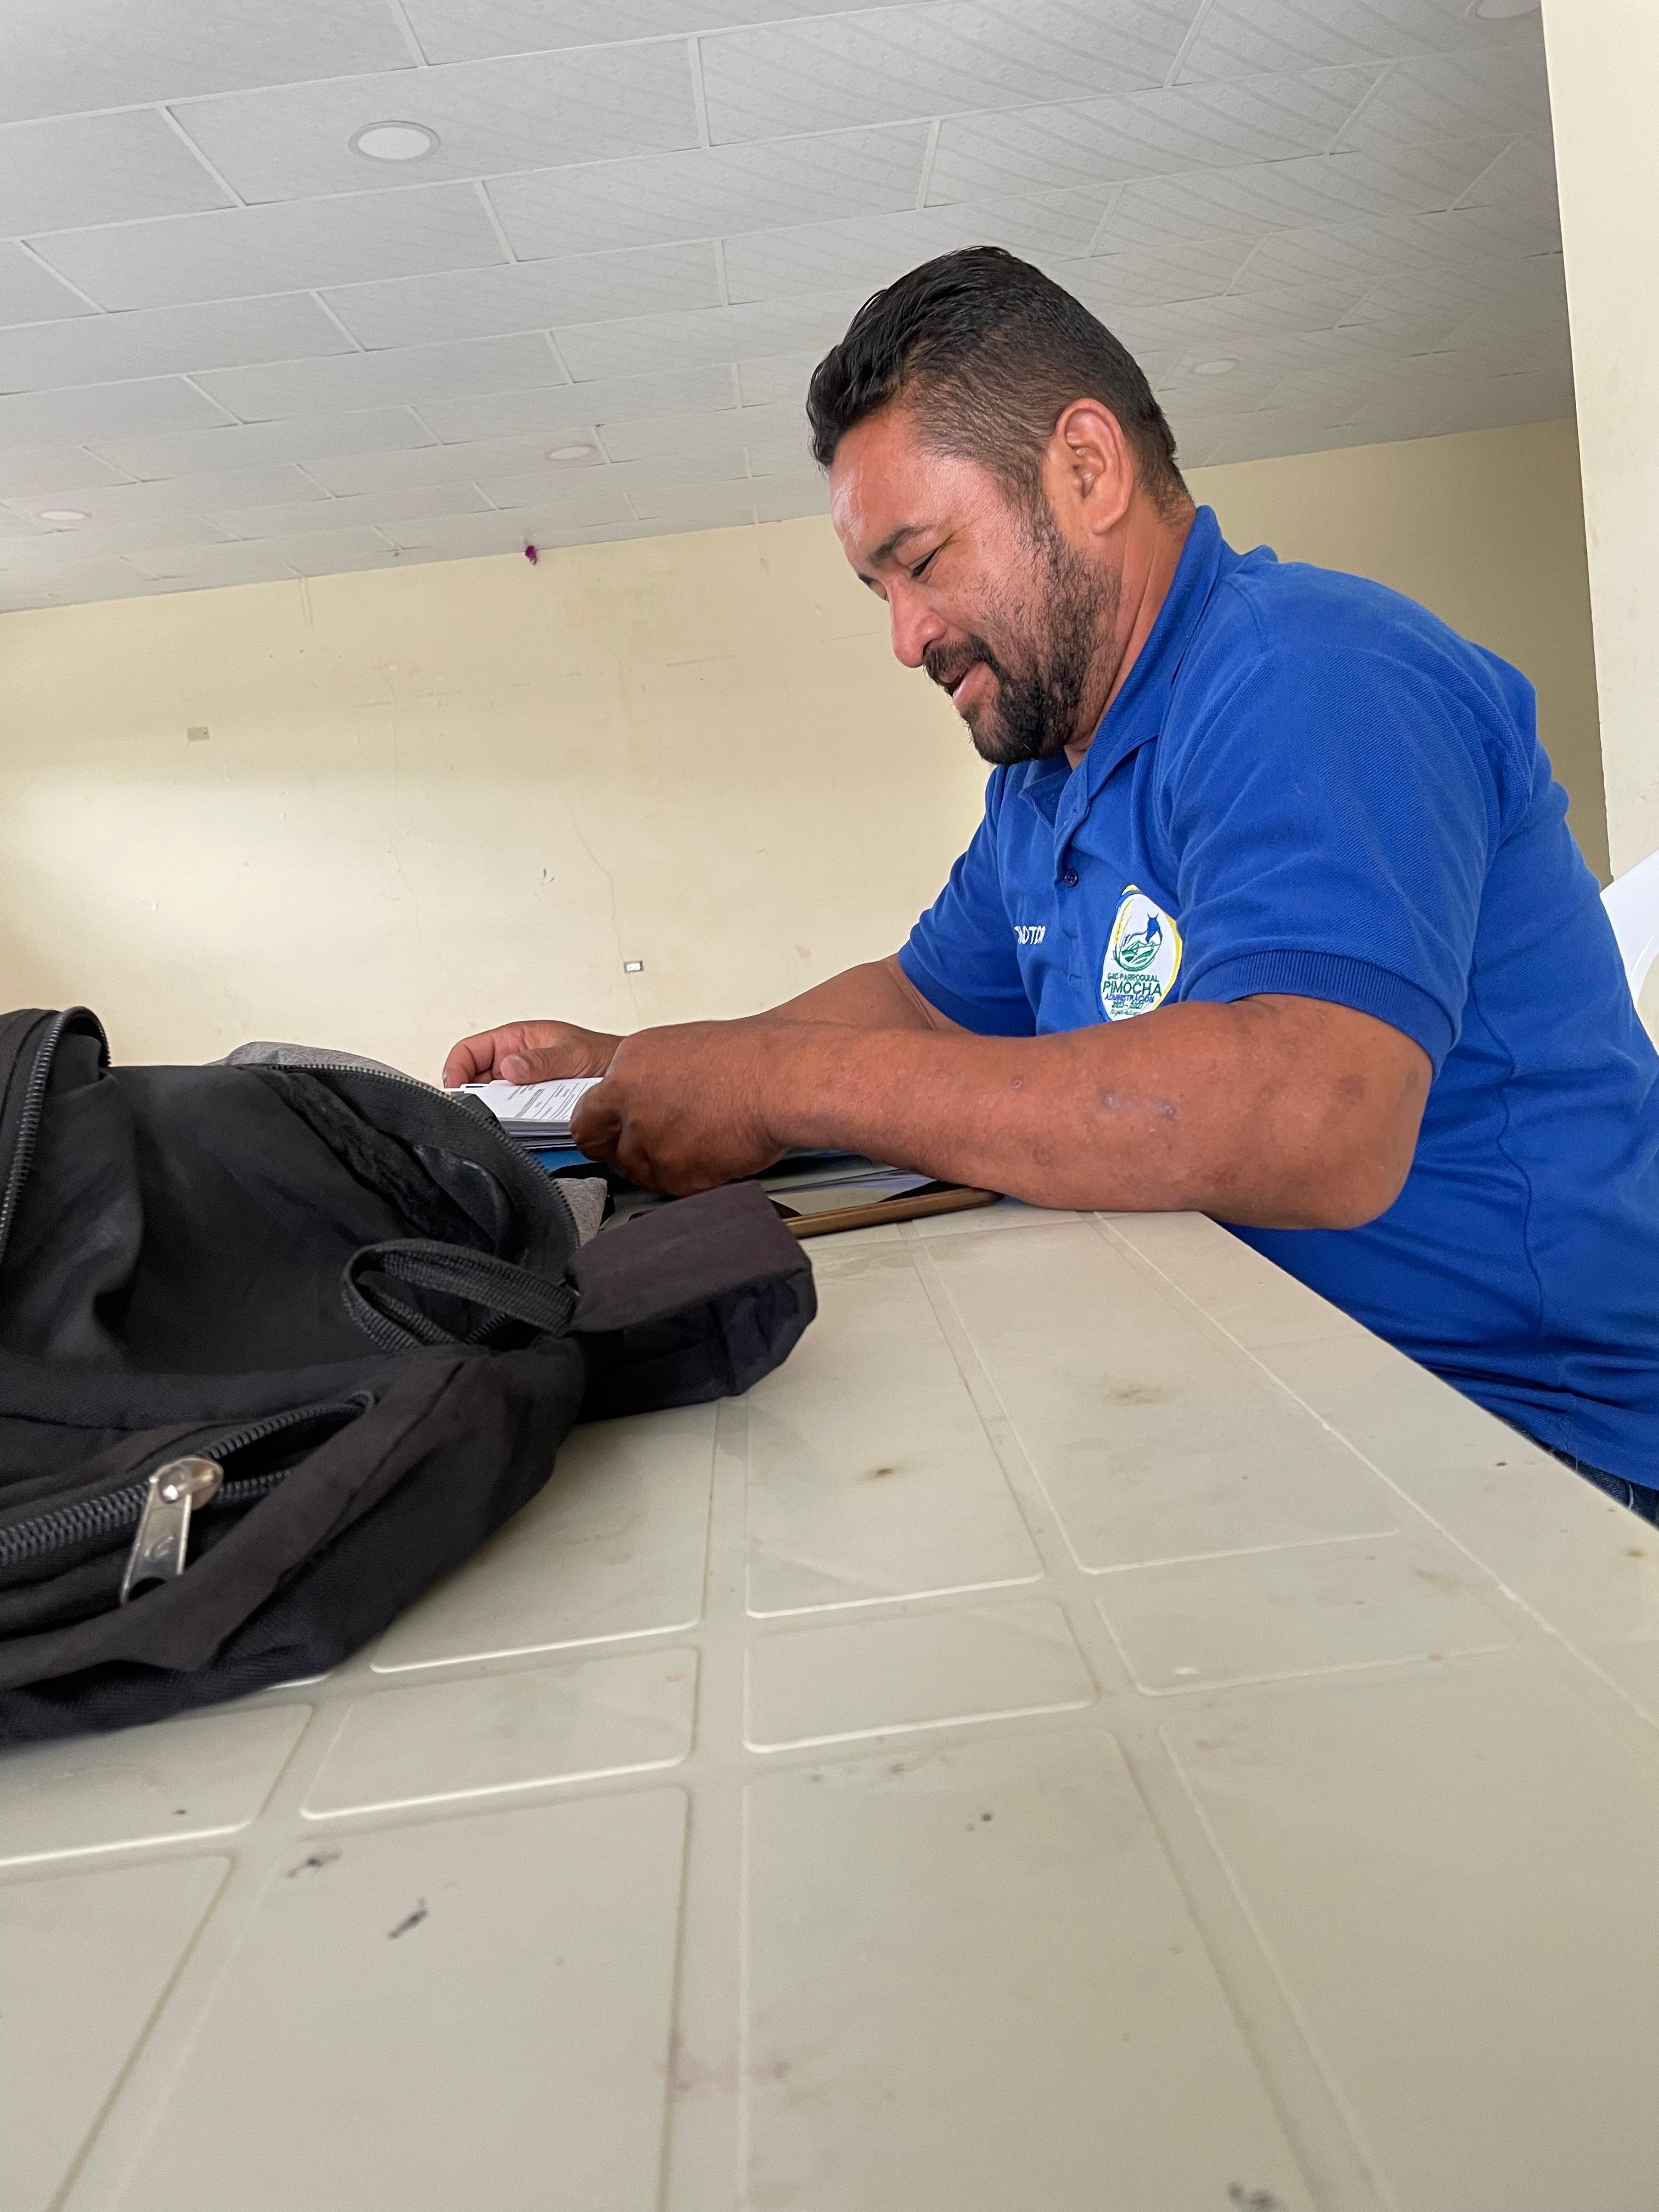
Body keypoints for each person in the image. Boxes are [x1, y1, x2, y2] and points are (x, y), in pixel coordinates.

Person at [445, 246, 1659, 1517]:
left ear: (1087, 469)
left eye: (923, 559)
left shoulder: (1310, 672)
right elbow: (921, 1006)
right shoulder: (1046, 781)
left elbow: (1317, 1121)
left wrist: (785, 1081)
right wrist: (642, 1069)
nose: (905, 637)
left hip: (1525, 1435)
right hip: (1274, 1383)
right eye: (878, 589)